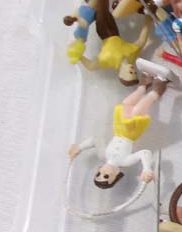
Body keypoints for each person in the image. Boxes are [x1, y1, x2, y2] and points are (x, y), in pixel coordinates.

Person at [68, 59, 176, 189]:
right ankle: (159, 88)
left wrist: (79, 148)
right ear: (116, 176)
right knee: (137, 110)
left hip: (119, 129)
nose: (103, 172)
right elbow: (144, 153)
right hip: (130, 133)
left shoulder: (104, 154)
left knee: (126, 103)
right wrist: (146, 169)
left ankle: (145, 84)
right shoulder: (125, 162)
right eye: (106, 176)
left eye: (98, 174)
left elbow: (95, 140)